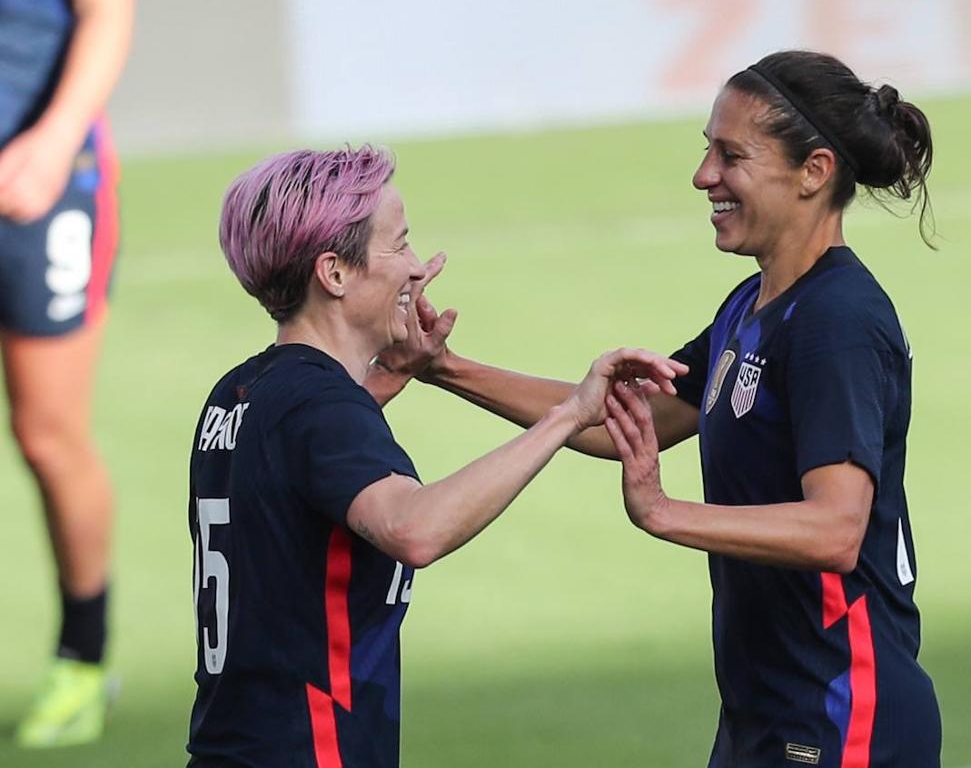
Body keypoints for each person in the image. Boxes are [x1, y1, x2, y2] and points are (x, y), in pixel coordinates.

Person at [391, 50, 941, 767]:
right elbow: (628, 424)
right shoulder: (754, 305)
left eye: (730, 155)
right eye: (706, 150)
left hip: (842, 712)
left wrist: (662, 511)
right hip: (770, 710)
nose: (704, 175)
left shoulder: (835, 321)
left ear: (814, 172)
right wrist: (444, 367)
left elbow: (836, 529)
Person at [187, 145, 685, 768]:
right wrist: (568, 417)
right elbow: (413, 529)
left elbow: (299, 484)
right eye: (399, 246)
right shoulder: (319, 405)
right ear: (334, 273)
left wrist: (387, 381)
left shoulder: (241, 394)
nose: (418, 268)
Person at [0, 0, 133, 748]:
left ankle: (83, 658)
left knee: (47, 435)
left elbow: (108, 14)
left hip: (40, 186)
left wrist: (52, 144)